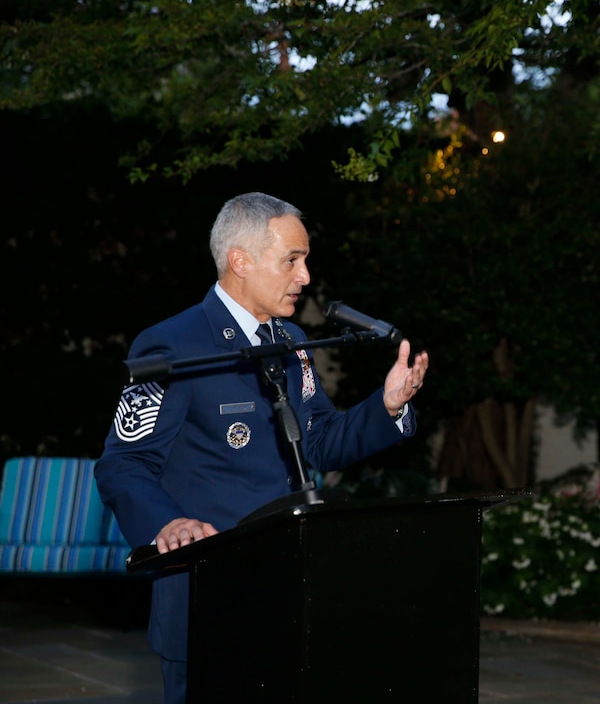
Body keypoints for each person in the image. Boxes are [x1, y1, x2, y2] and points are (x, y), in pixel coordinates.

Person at [95, 191, 428, 704]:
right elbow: (124, 463)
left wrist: (385, 406)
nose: (306, 276)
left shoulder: (292, 342)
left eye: (306, 260)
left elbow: (318, 442)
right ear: (240, 261)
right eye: (292, 260)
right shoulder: (173, 344)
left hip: (293, 586)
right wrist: (166, 524)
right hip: (210, 593)